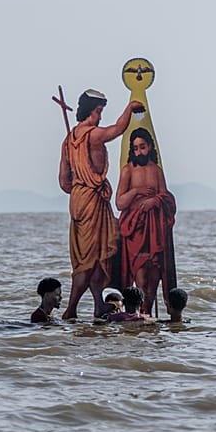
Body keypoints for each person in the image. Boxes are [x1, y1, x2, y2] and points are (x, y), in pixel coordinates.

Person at [59, 89, 144, 319]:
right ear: (89, 111)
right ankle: (71, 309)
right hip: (91, 202)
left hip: (79, 200)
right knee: (87, 260)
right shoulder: (92, 135)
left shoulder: (68, 141)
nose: (99, 117)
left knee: (97, 258)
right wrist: (130, 108)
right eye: (98, 112)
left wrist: (79, 188)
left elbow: (63, 181)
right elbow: (118, 129)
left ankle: (98, 305)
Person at [115, 127, 177, 316]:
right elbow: (119, 203)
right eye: (135, 148)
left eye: (142, 147)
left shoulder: (156, 171)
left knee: (154, 275)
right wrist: (136, 192)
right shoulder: (128, 171)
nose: (139, 152)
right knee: (140, 274)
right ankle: (136, 312)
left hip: (154, 231)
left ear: (150, 146)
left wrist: (155, 200)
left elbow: (165, 196)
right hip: (135, 230)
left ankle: (147, 314)